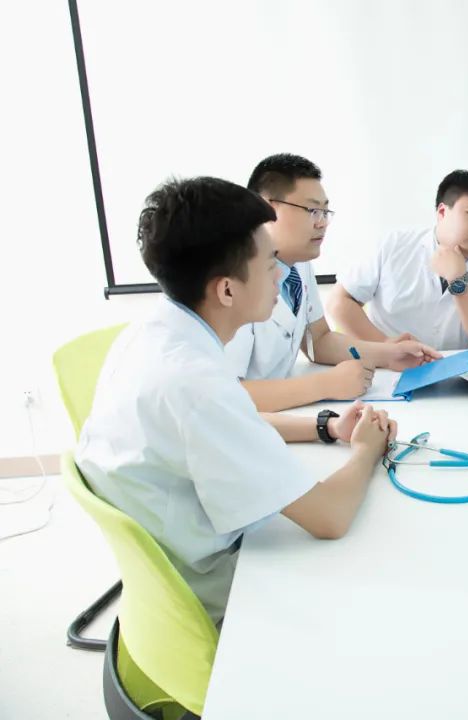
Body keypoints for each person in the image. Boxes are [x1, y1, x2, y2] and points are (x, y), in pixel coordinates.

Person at [77, 177, 396, 622]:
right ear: (227, 290)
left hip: (168, 560)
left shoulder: (150, 333)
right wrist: (366, 450)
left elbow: (231, 422)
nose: (280, 274)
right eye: (269, 265)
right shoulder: (199, 384)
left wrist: (325, 427)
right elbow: (330, 516)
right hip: (213, 584)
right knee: (383, 568)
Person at [226, 153, 440, 412]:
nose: (323, 223)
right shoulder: (232, 277)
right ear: (268, 208)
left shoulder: (299, 264)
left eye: (325, 211)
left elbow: (318, 340)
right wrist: (325, 385)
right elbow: (225, 394)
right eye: (312, 211)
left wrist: (388, 354)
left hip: (285, 413)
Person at [326, 170, 468, 350]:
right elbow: (339, 302)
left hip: (456, 370)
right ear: (442, 212)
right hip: (385, 366)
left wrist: (459, 278)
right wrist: (386, 346)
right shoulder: (393, 245)